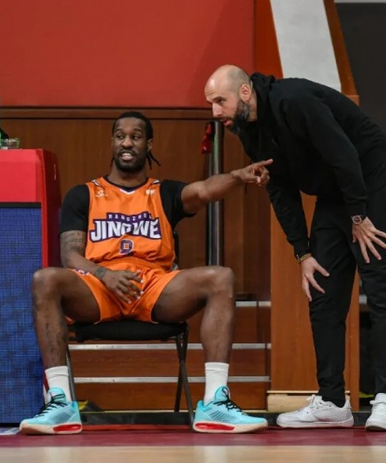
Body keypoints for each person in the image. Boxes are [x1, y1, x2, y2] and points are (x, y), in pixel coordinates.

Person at [19, 111, 271, 435]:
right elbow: (70, 256)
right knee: (45, 279)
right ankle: (60, 403)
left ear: (148, 144)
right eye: (120, 136)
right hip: (99, 288)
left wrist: (237, 176)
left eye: (136, 136)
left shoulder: (163, 193)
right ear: (112, 142)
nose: (127, 142)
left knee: (221, 277)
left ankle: (216, 403)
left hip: (154, 288)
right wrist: (105, 275)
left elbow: (204, 191)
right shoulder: (83, 194)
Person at [204, 66, 386, 431]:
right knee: (322, 291)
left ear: (245, 93)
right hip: (335, 191)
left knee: (380, 290)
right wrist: (303, 252)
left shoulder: (294, 101)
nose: (215, 111)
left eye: (220, 101)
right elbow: (280, 189)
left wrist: (359, 216)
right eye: (211, 104)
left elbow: (343, 154)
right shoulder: (248, 129)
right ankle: (332, 401)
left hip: (372, 180)